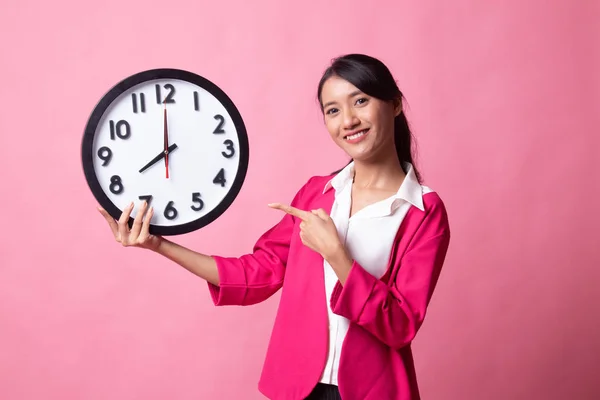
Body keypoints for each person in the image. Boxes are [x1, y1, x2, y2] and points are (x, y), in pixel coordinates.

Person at [98, 53, 451, 400]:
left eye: (360, 101)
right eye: (333, 110)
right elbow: (255, 274)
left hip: (374, 390)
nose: (348, 120)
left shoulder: (424, 211)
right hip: (298, 388)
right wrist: (159, 245)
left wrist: (336, 254)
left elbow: (400, 326)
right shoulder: (317, 193)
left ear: (394, 104)